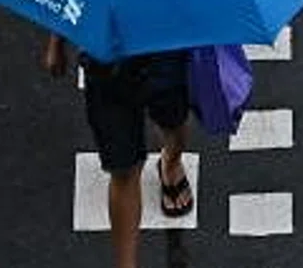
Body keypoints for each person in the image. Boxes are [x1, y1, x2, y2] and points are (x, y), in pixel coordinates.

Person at [43, 35, 194, 268]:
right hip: (107, 67)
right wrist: (56, 41)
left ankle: (171, 162)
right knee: (123, 169)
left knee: (173, 124)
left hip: (166, 60)